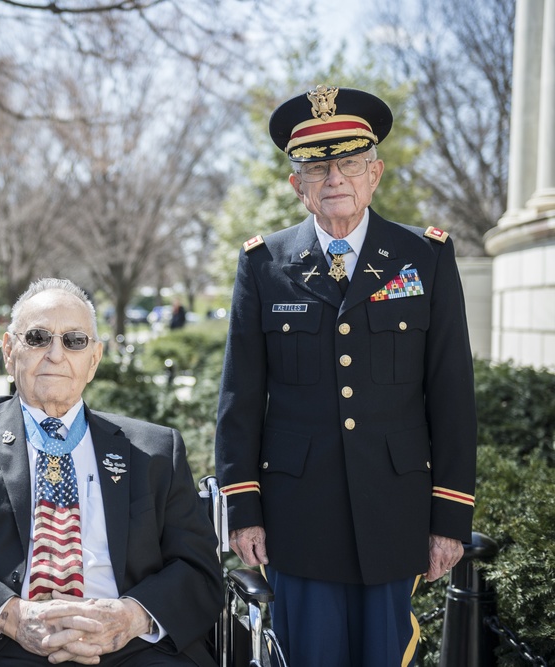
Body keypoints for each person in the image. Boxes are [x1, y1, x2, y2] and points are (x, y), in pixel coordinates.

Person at [214, 85, 477, 667]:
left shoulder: (423, 257)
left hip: (395, 509)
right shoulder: (264, 264)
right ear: (297, 185)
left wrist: (449, 517)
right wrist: (243, 509)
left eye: (350, 163)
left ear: (375, 173)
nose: (335, 178)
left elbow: (452, 395)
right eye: (317, 167)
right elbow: (240, 398)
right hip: (297, 516)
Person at [0, 278, 224, 666]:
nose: (55, 354)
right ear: (9, 351)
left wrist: (130, 617)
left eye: (74, 341)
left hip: (132, 646)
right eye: (37, 337)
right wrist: (12, 616)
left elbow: (199, 569)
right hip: (0, 645)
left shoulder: (154, 449)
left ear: (94, 360)